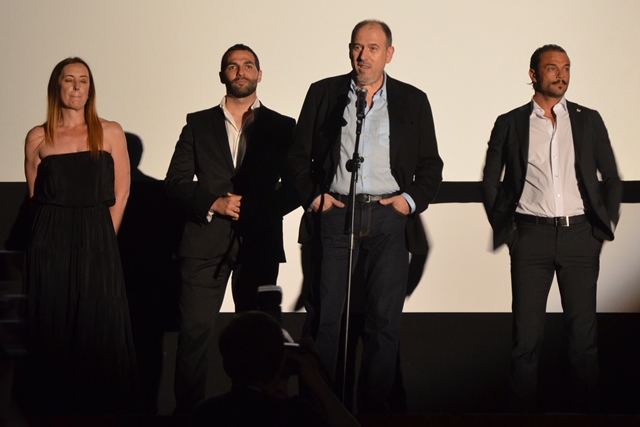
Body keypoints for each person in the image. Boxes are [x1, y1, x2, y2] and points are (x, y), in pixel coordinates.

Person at [289, 20, 443, 412]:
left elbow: (431, 166)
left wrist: (408, 201)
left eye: (373, 48)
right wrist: (315, 198)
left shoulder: (412, 99)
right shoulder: (324, 93)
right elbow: (297, 158)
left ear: (389, 54)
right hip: (336, 214)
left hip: (389, 218)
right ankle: (319, 411)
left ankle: (375, 414)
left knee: (384, 323)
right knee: (325, 320)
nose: (363, 56)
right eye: (357, 47)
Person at [481, 44, 622, 411]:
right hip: (530, 238)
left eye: (566, 68)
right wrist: (509, 233)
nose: (561, 75)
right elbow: (491, 181)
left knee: (583, 342)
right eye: (552, 68)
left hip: (580, 238)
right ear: (533, 75)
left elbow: (611, 177)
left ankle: (587, 417)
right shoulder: (510, 122)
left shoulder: (588, 119)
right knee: (525, 342)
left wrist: (602, 230)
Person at [164, 44, 298, 414]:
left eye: (248, 65)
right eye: (233, 66)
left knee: (257, 344)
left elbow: (297, 186)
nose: (241, 71)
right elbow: (175, 182)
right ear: (223, 74)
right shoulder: (198, 123)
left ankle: (252, 416)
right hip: (203, 245)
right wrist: (214, 202)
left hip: (258, 244)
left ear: (259, 74)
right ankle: (188, 418)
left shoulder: (283, 126)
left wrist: (256, 208)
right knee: (193, 338)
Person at [16, 57, 138, 415]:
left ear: (90, 89)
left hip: (97, 236)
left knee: (98, 323)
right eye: (69, 79)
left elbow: (122, 193)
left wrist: (104, 239)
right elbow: (35, 196)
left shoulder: (110, 132)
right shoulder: (38, 137)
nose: (76, 87)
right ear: (57, 86)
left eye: (83, 80)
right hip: (49, 240)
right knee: (51, 323)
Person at [191, 311, 360, 427]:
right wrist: (316, 381)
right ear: (281, 363)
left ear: (226, 366)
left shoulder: (207, 414)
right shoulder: (295, 414)